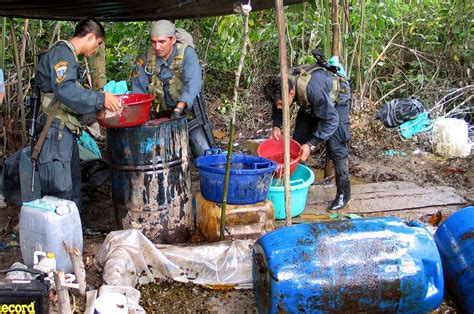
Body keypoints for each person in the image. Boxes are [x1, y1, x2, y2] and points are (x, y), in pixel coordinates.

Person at [35, 17, 121, 209]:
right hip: (56, 129)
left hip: (66, 129)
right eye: (98, 44)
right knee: (60, 186)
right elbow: (65, 90)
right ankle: (62, 234)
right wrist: (100, 99)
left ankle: (74, 228)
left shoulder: (69, 56)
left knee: (73, 183)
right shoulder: (62, 54)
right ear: (90, 37)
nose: (96, 50)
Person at [264, 61, 351, 211]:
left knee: (336, 148)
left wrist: (311, 144)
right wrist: (276, 124)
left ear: (291, 94)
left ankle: (344, 194)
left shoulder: (312, 90)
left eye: (280, 104)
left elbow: (331, 120)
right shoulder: (280, 84)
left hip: (336, 102)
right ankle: (300, 183)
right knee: (297, 143)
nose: (279, 107)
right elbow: (276, 102)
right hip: (311, 104)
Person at [131, 20, 213, 157]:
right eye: (153, 42)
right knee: (156, 156)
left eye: (162, 42)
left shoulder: (187, 54)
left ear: (173, 39)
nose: (157, 47)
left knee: (204, 153)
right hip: (160, 116)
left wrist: (179, 109)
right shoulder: (145, 60)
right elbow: (138, 91)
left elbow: (193, 83)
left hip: (187, 112)